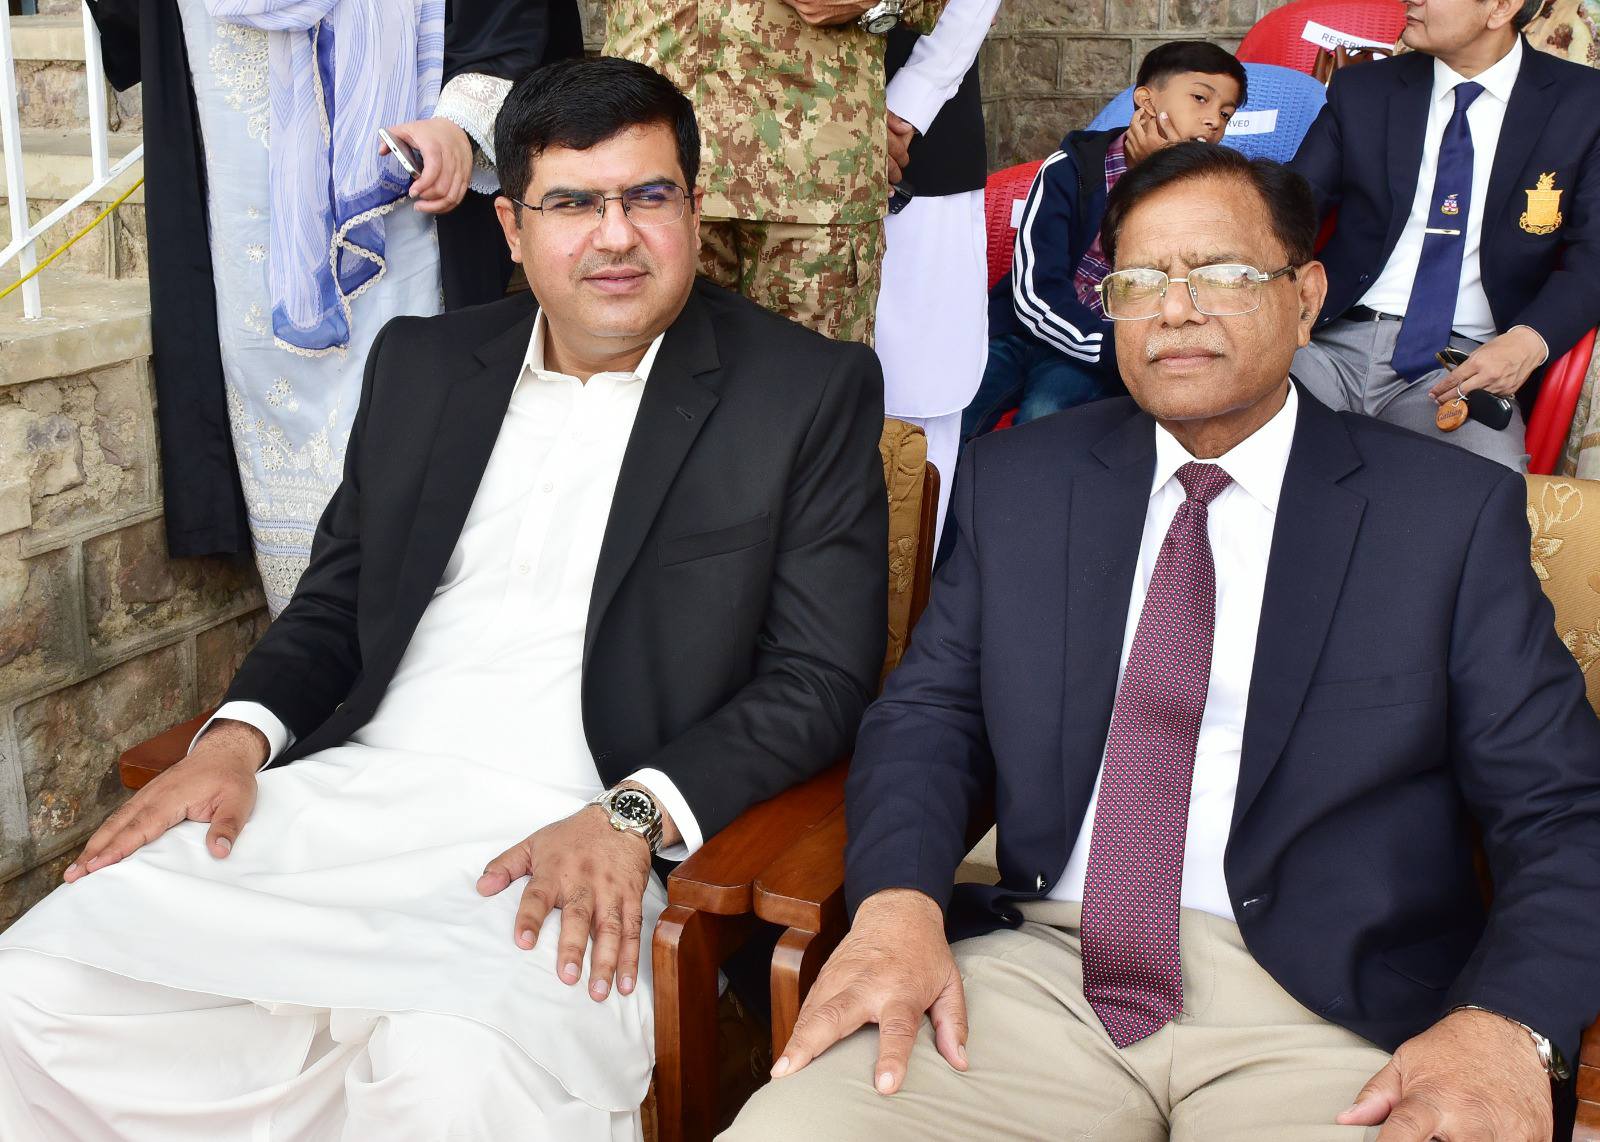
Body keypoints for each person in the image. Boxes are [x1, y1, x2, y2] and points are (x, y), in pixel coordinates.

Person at [0, 58, 887, 1141]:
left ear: (694, 211)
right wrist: (232, 742)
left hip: (580, 827)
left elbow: (821, 676)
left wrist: (631, 815)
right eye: (573, 203)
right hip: (348, 802)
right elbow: (334, 602)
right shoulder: (424, 361)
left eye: (647, 196)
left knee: (450, 1078)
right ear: (512, 226)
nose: (615, 236)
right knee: (34, 988)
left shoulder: (801, 391)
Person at [728, 142, 1600, 1141]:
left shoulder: (1441, 513)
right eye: (1139, 281)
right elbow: (929, 719)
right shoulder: (1021, 482)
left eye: (1220, 275)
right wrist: (895, 902)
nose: (1174, 310)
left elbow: (1560, 807)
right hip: (1033, 980)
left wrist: (1507, 1021)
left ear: (1306, 297)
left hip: (1331, 1017)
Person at [1290, 0, 1600, 469]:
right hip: (1323, 343)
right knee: (1212, 420)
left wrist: (1528, 340)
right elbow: (1289, 208)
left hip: (1464, 365)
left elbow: (1594, 255)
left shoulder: (1583, 104)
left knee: (1492, 487)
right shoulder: (1364, 90)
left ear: (1500, 7)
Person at [961, 41, 1247, 441]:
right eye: (1200, 98)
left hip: (1101, 350)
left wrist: (1154, 173)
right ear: (1146, 100)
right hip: (1025, 329)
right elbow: (1034, 287)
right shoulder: (1070, 169)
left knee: (1044, 418)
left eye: (1226, 113)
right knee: (955, 411)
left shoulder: (1204, 194)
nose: (1214, 120)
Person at [875, 0, 1000, 544]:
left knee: (917, 393)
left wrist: (903, 111)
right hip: (750, 147)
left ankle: (904, 590)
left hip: (918, 148)